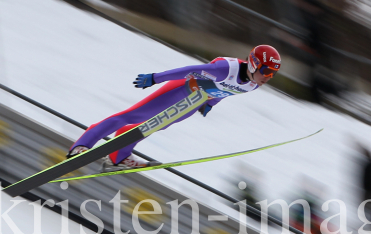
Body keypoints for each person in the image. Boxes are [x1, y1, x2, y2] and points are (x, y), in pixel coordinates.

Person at [68, 45, 281, 172]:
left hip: (193, 102)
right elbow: (189, 70)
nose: (267, 77)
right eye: (265, 70)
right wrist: (155, 78)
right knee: (132, 116)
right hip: (181, 90)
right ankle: (82, 145)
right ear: (253, 63)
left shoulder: (253, 84)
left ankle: (118, 157)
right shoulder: (226, 68)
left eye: (272, 74)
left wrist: (209, 104)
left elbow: (226, 91)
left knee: (151, 127)